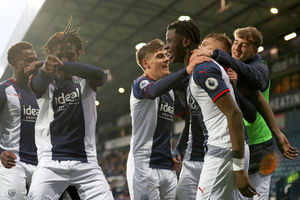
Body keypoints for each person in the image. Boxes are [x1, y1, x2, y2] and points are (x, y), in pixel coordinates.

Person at [191, 26, 298, 199]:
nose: (237, 48)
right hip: (238, 145)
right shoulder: (225, 70)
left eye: (245, 45)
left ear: (255, 50)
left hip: (261, 146)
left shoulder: (259, 66)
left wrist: (220, 58)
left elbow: (255, 97)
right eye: (236, 42)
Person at [165, 20, 257, 199]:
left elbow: (235, 114)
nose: (166, 46)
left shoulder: (203, 70)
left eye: (169, 41)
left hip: (225, 150)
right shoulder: (196, 71)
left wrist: (238, 169)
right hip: (223, 149)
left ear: (185, 42)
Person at [27, 19, 114, 199]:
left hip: (87, 164)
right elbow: (36, 84)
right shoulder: (44, 80)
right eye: (59, 55)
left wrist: (58, 63)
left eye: (69, 55)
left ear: (79, 53)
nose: (64, 59)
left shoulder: (85, 81)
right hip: (50, 163)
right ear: (51, 54)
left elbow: (100, 75)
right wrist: (44, 68)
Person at [126, 38, 201, 200]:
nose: (167, 59)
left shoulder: (169, 92)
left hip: (167, 166)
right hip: (144, 166)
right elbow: (152, 92)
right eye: (160, 56)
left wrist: (177, 149)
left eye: (166, 55)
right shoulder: (140, 83)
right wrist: (186, 70)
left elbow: (189, 117)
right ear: (146, 64)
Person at [0, 41, 40, 199]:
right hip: (13, 163)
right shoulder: (4, 90)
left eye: (35, 59)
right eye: (28, 60)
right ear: (14, 63)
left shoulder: (41, 92)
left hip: (41, 166)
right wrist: (0, 152)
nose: (34, 64)